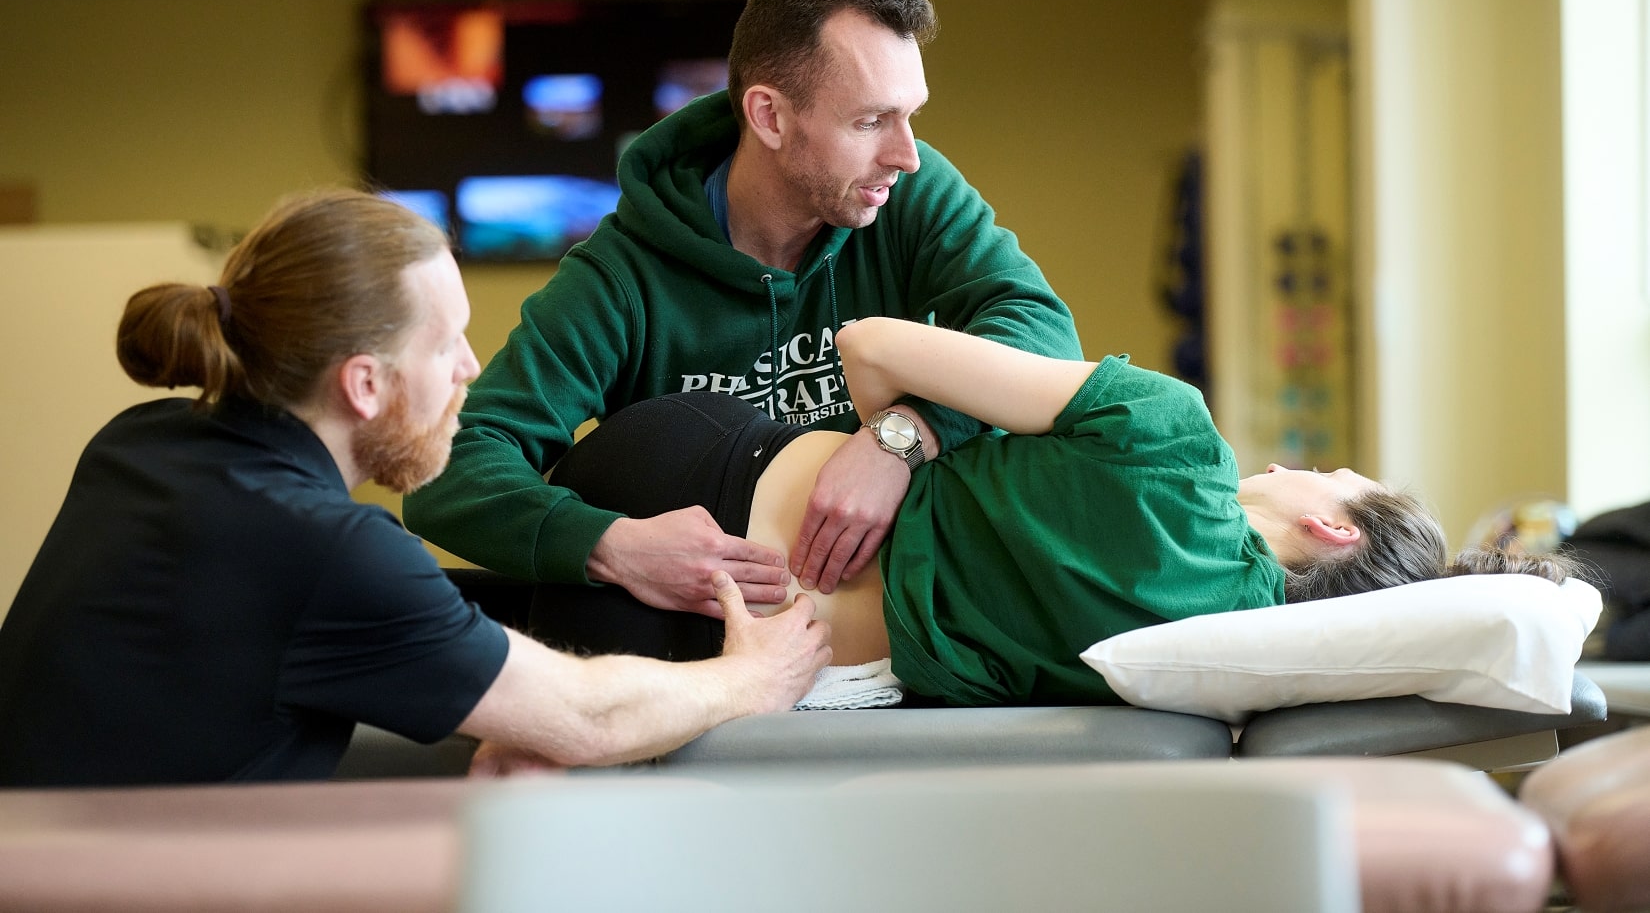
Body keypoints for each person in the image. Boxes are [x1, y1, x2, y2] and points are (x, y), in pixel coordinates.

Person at [0, 191, 830, 787]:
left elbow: (311, 627)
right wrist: (752, 679)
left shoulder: (141, 444)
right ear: (364, 384)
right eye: (448, 346)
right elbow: (588, 718)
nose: (471, 369)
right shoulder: (329, 549)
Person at [403, 0, 1082, 660]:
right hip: (710, 650)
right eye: (872, 120)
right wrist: (613, 545)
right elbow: (449, 472)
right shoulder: (619, 278)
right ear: (770, 116)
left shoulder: (907, 196)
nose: (905, 154)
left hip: (896, 623)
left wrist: (902, 437)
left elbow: (1039, 329)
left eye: (910, 116)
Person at [546, 317, 1575, 706]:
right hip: (708, 651)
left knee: (436, 579)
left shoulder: (1174, 435)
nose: (1284, 462)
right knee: (428, 640)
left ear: (1335, 529)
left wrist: (905, 440)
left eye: (1326, 472)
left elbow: (870, 346)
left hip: (704, 482)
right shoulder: (1215, 668)